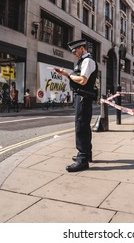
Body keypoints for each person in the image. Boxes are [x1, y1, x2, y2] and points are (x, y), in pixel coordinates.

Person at [55, 39, 98, 172]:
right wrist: (66, 74)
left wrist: (67, 75)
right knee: (84, 126)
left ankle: (82, 159)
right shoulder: (83, 61)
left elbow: (83, 80)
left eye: (74, 51)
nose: (73, 53)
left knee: (81, 127)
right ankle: (87, 154)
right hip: (82, 97)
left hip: (84, 97)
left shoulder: (88, 61)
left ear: (81, 48)